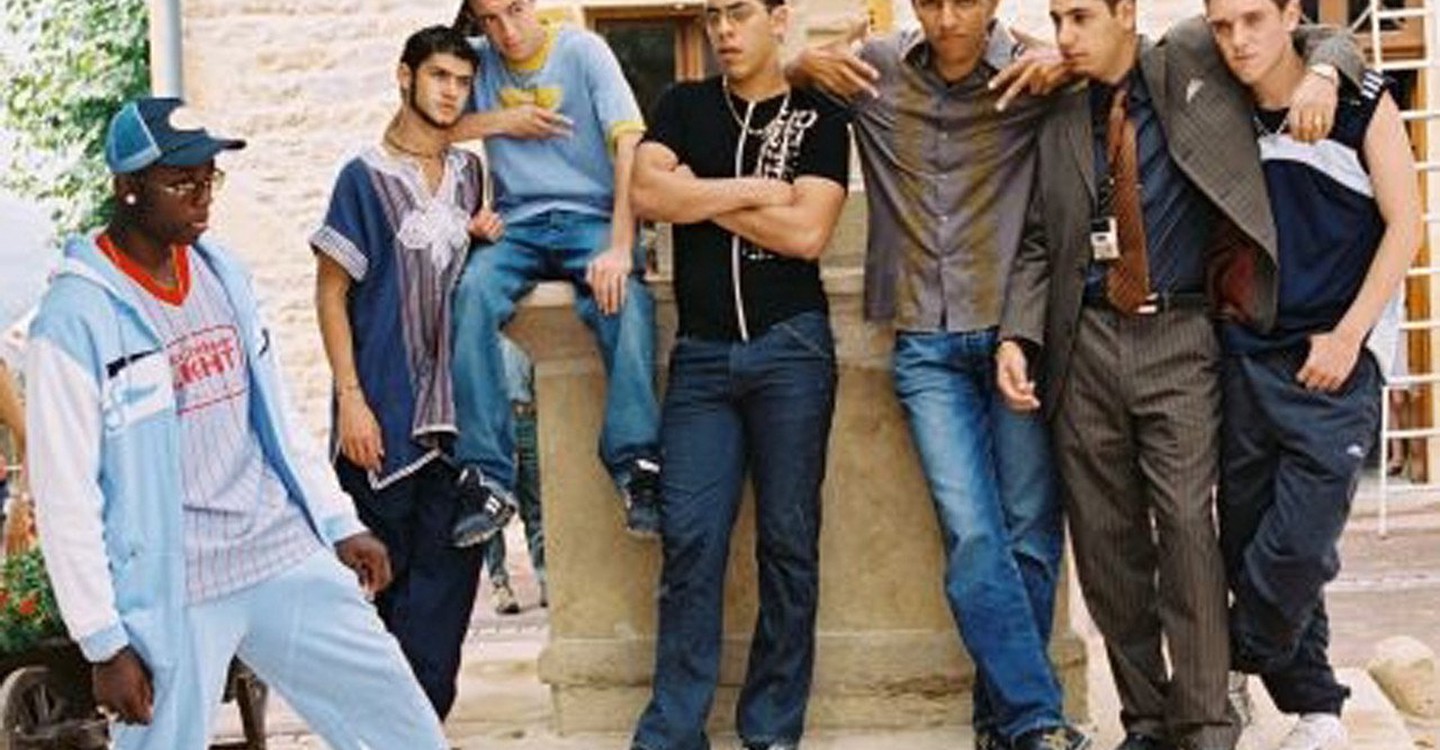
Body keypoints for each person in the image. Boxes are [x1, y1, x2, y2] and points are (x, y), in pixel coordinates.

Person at [24, 96, 448, 749]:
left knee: (400, 722)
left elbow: (276, 415)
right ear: (127, 187)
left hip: (278, 548)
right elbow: (64, 495)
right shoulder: (74, 319)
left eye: (209, 178)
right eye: (181, 182)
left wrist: (339, 522)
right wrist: (103, 641)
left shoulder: (224, 275)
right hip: (175, 586)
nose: (202, 198)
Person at [996, 1, 1361, 747]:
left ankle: (1204, 722)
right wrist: (1016, 336)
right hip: (1083, 343)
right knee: (1107, 547)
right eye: (1057, 19)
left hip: (1182, 336)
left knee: (1190, 531)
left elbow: (1319, 37)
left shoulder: (1193, 51)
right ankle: (1145, 720)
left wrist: (1325, 75)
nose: (1065, 36)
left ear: (1125, 12)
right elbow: (1037, 240)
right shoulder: (1058, 113)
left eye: (1081, 17)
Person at [787, 2, 1089, 748]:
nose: (947, 18)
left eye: (964, 2)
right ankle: (1037, 720)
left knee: (1030, 536)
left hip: (1017, 334)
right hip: (925, 342)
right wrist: (800, 61)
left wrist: (1068, 61)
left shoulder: (1032, 71)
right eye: (930, 2)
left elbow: (1128, 58)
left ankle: (1005, 723)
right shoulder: (876, 69)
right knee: (975, 536)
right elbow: (769, 71)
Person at [626, 0, 850, 746]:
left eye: (740, 12)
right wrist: (753, 190)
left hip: (792, 349)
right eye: (714, 15)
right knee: (690, 541)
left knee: (788, 542)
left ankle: (772, 727)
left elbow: (808, 232)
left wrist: (696, 196)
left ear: (778, 19)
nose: (723, 29)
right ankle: (674, 730)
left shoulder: (820, 118)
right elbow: (647, 195)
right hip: (702, 358)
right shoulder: (682, 105)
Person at [1204, 0, 1421, 747]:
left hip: (1333, 360)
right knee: (1249, 538)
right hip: (1247, 354)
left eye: (1254, 20)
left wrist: (1350, 337)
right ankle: (1318, 707)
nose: (1238, 41)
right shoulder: (1221, 106)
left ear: (1290, 15)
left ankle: (1231, 659)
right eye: (1222, 25)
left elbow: (1408, 223)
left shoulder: (1361, 100)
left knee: (1297, 544)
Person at [311, 25, 500, 719]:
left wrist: (483, 240)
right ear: (405, 76)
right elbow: (331, 292)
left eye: (462, 82)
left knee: (441, 621)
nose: (451, 92)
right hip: (382, 423)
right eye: (439, 76)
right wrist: (351, 401)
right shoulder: (363, 178)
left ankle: (418, 731)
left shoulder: (471, 177)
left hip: (457, 426)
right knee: (378, 610)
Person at [446, 0, 663, 546]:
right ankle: (488, 477)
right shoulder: (474, 60)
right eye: (490, 19)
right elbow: (415, 128)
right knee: (470, 294)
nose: (506, 30)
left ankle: (637, 465)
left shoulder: (583, 51)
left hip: (591, 219)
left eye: (514, 9)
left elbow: (629, 144)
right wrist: (502, 121)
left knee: (625, 299)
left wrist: (621, 246)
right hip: (516, 225)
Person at [481, 335, 546, 614]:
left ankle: (546, 578)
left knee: (536, 506)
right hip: (492, 423)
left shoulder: (525, 325)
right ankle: (500, 585)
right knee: (492, 507)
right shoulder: (479, 328)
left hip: (527, 418)